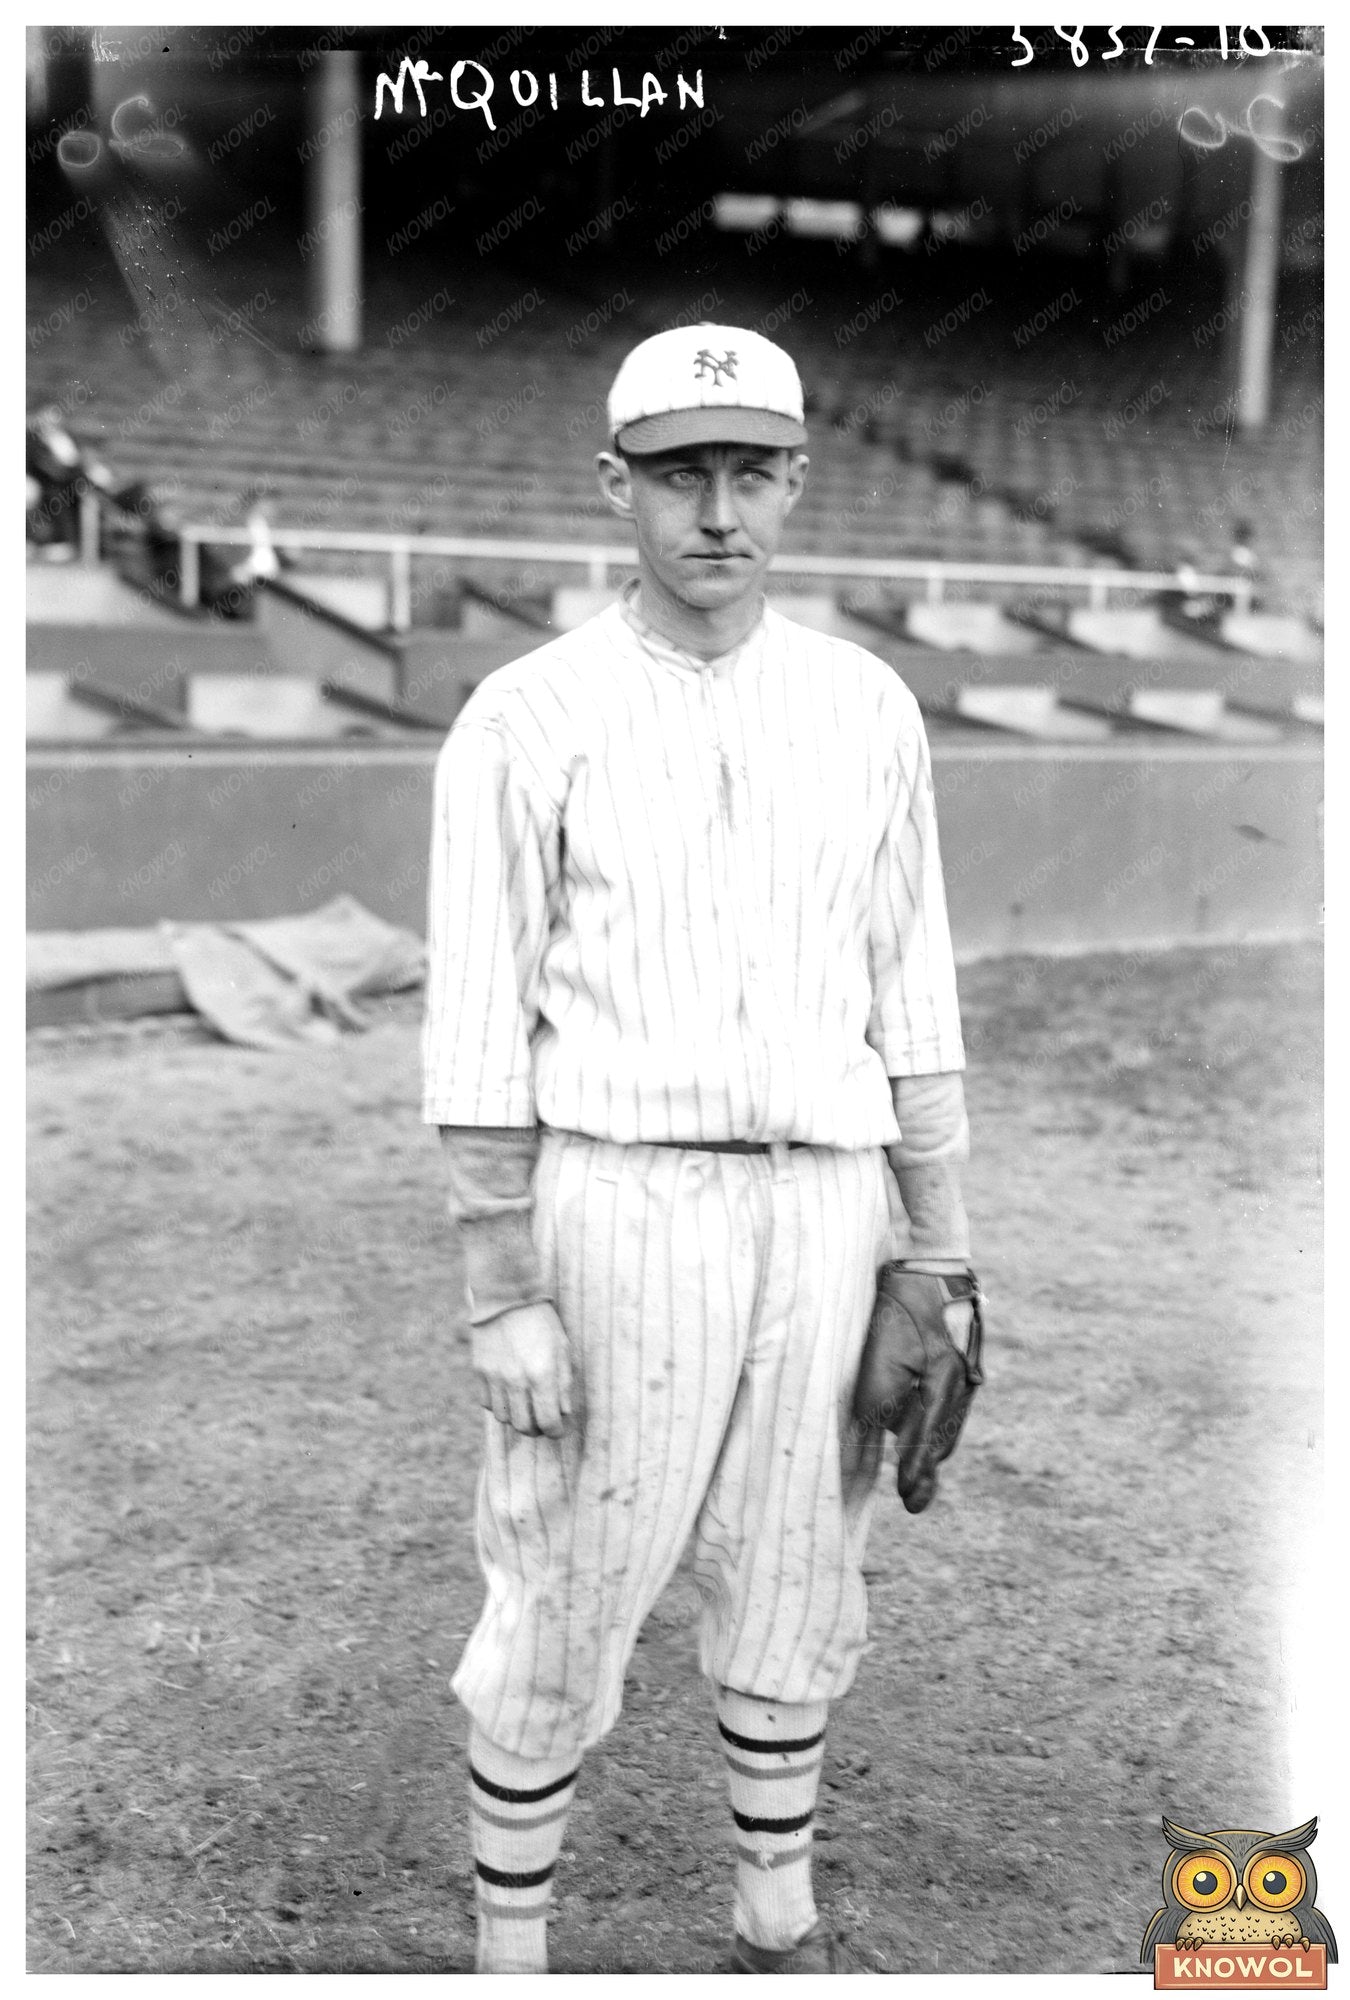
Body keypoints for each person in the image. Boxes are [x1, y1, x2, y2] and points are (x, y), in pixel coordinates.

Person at [422, 323, 975, 1975]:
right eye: (679, 476)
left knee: (799, 1571)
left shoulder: (864, 704)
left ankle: (772, 1918)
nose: (716, 513)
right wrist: (499, 1286)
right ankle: (512, 1950)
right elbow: (476, 1019)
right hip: (621, 1197)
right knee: (566, 1573)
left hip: (826, 1203)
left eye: (749, 473)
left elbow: (912, 988)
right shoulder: (527, 714)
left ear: (796, 482)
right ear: (617, 487)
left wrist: (937, 1248)